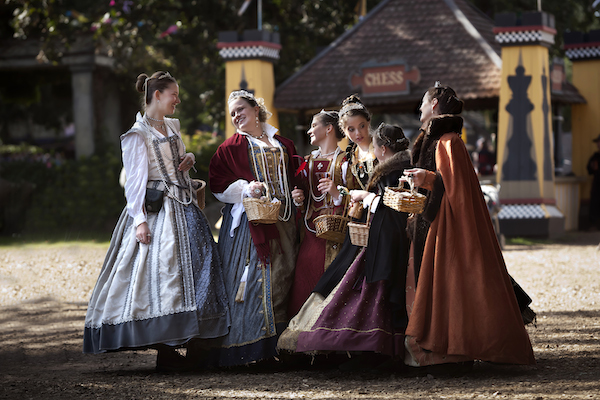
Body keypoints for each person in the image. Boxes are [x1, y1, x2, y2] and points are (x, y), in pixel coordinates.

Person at [83, 71, 230, 372]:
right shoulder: (137, 134)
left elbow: (178, 164)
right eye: (173, 94)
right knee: (162, 277)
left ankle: (196, 344)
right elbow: (134, 183)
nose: (177, 99)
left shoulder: (172, 126)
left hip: (185, 206)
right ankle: (167, 349)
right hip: (157, 211)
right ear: (157, 96)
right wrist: (139, 222)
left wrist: (187, 160)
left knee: (201, 268)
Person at [402, 83, 535, 367]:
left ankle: (458, 350)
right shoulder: (437, 139)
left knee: (458, 285)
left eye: (423, 103)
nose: (420, 108)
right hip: (434, 222)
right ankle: (447, 351)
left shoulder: (448, 142)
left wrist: (425, 179)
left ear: (435, 104)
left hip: (448, 227)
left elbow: (456, 191)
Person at [278, 123, 411, 366]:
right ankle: (378, 347)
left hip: (382, 241)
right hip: (381, 238)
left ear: (382, 149)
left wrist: (365, 197)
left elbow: (391, 206)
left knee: (361, 290)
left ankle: (368, 346)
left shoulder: (392, 171)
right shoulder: (401, 167)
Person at [207, 90, 299, 367]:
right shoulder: (231, 147)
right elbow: (218, 184)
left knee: (286, 278)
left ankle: (282, 345)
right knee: (257, 279)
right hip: (253, 223)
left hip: (287, 219)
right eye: (232, 113)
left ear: (256, 109)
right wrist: (247, 188)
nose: (236, 116)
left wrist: (299, 194)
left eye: (240, 110)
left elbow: (296, 175)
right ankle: (253, 347)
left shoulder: (283, 143)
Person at [286, 110, 353, 317]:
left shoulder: (345, 162)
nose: (309, 131)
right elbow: (305, 194)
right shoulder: (308, 161)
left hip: (334, 233)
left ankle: (325, 327)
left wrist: (336, 193)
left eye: (314, 125)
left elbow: (355, 194)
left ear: (329, 128)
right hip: (310, 231)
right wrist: (298, 197)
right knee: (304, 274)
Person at [586, 134, 600, 230]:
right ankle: (594, 224)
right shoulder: (595, 156)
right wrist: (592, 167)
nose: (598, 144)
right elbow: (589, 170)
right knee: (595, 204)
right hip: (597, 185)